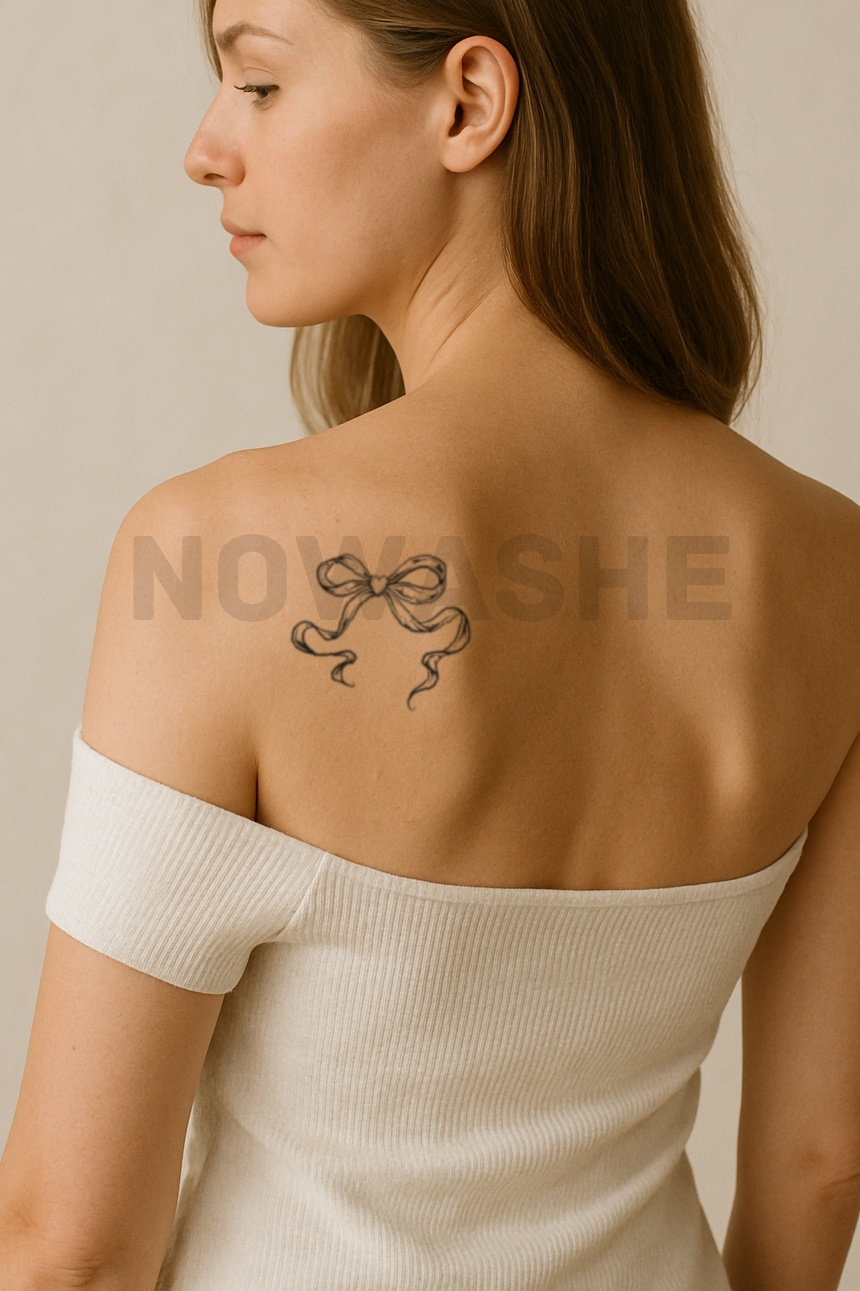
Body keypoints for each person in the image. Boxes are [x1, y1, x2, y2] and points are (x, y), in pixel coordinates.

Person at [0, 0, 858, 1287]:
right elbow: (820, 1159)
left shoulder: (217, 554)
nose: (206, 149)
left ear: (468, 103)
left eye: (259, 83)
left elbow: (67, 1247)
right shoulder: (832, 567)